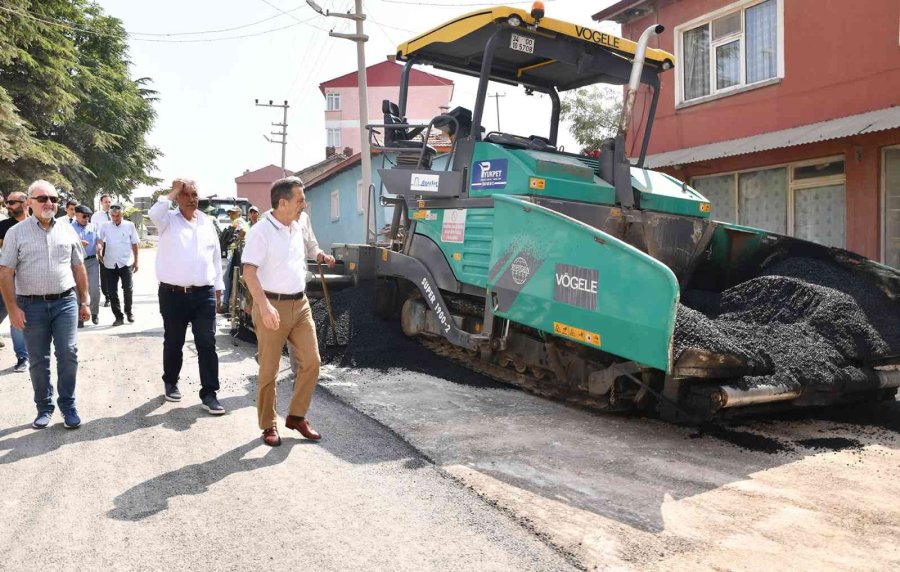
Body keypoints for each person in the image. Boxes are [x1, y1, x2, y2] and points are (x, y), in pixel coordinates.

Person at [242, 176, 335, 447]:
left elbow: (311, 246)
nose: (304, 204)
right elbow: (249, 272)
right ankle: (268, 425)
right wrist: (264, 305)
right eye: (300, 200)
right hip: (272, 305)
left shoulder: (300, 222)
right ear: (282, 203)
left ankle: (296, 415)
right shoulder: (261, 231)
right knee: (269, 370)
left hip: (300, 304)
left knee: (312, 362)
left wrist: (321, 256)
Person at [0, 180, 90, 429]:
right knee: (38, 359)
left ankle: (68, 405)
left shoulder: (67, 229)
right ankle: (44, 407)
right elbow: (5, 272)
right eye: (42, 199)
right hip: (31, 306)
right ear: (30, 202)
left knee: (68, 353)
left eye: (53, 199)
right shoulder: (16, 233)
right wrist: (12, 308)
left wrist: (85, 301)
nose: (49, 203)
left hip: (65, 303)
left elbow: (78, 267)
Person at [148, 179, 225, 415]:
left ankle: (209, 394)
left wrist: (218, 288)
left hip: (204, 294)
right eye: (187, 194)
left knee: (207, 342)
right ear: (178, 197)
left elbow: (215, 257)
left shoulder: (207, 222)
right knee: (174, 341)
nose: (192, 199)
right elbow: (153, 212)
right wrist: (172, 191)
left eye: (195, 194)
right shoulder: (167, 221)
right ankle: (170, 381)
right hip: (173, 294)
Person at [0, 191, 30, 371]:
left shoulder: (35, 224)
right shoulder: (3, 226)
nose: (8, 206)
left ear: (25, 203)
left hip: (30, 279)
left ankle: (23, 357)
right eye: (8, 203)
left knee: (19, 318)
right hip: (8, 279)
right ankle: (23, 356)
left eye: (12, 202)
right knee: (12, 315)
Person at [97, 204, 139, 326]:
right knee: (112, 291)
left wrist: (136, 261)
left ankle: (129, 311)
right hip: (109, 263)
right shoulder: (105, 226)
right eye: (113, 216)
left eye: (117, 215)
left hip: (126, 263)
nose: (115, 218)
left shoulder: (129, 225)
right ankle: (118, 316)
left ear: (122, 214)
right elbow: (100, 240)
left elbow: (135, 244)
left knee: (128, 289)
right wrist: (99, 248)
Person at [72, 205, 101, 327]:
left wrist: (99, 246)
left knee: (94, 288)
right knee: (78, 289)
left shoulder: (93, 227)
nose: (86, 219)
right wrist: (79, 244)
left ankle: (94, 313)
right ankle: (80, 317)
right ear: (76, 215)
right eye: (84, 216)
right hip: (77, 262)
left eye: (88, 217)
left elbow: (99, 240)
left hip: (92, 261)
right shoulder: (69, 228)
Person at [221, 206, 250, 314]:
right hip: (242, 254)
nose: (230, 215)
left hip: (238, 253)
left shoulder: (238, 221)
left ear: (238, 213)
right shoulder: (244, 222)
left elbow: (242, 232)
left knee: (227, 277)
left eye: (233, 213)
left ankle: (225, 304)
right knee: (237, 280)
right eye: (230, 213)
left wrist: (236, 241)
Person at [91, 193, 112, 307]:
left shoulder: (115, 213)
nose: (108, 204)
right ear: (101, 203)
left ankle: (114, 294)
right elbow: (94, 232)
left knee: (114, 271)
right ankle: (107, 296)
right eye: (106, 202)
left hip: (114, 246)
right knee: (104, 272)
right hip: (103, 246)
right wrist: (97, 247)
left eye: (109, 202)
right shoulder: (96, 216)